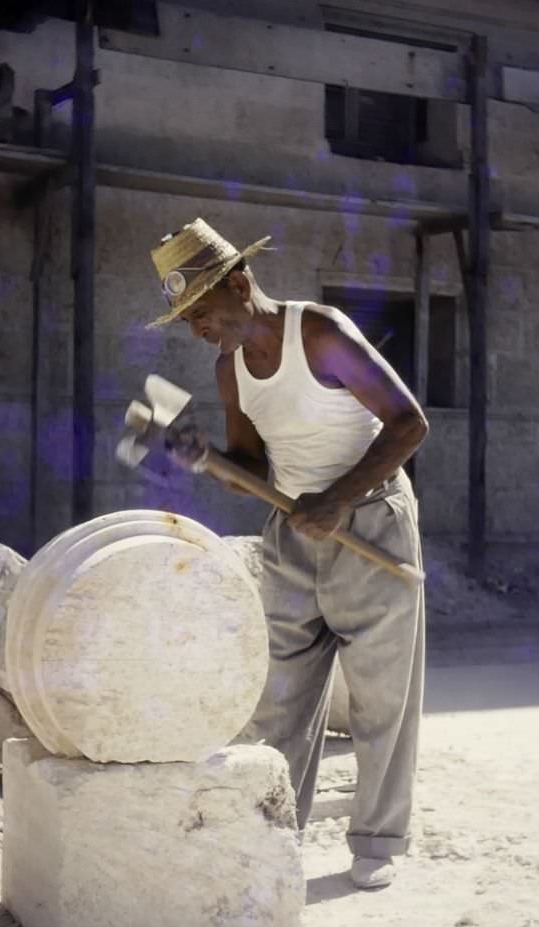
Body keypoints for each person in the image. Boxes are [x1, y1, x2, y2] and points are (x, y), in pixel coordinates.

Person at [149, 218, 428, 890]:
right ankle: (280, 833)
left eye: (203, 313)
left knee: (380, 698)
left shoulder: (321, 333)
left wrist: (338, 498)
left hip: (370, 523)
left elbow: (409, 422)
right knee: (280, 698)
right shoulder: (229, 370)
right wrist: (207, 459)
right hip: (293, 530)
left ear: (241, 284)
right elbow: (252, 464)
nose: (198, 331)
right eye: (186, 320)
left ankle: (378, 842)